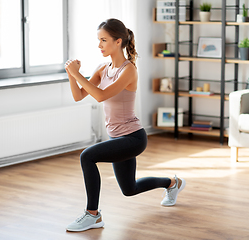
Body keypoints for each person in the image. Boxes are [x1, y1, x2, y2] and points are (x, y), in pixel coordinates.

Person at [64, 18, 185, 232]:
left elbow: (100, 96)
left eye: (103, 40)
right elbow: (79, 96)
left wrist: (76, 74)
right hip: (116, 138)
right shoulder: (103, 68)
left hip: (133, 138)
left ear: (118, 41)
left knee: (87, 156)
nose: (99, 45)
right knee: (130, 189)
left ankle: (93, 214)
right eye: (98, 40)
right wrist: (72, 76)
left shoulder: (129, 70)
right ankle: (172, 183)